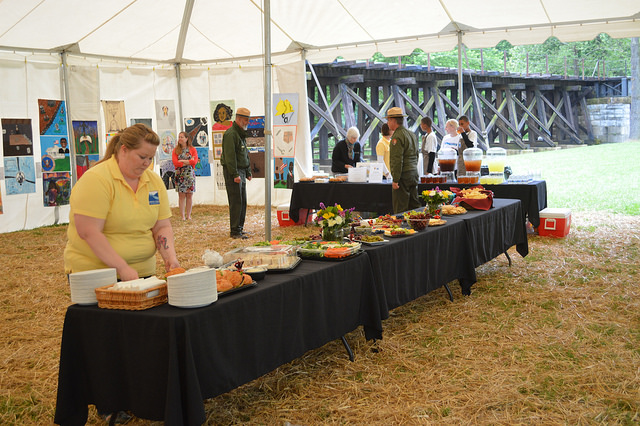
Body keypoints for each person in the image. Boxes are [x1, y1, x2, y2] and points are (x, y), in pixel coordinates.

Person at [64, 123, 180, 281]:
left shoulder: (154, 182)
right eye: (142, 157)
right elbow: (89, 231)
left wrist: (170, 258)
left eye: (151, 158)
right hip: (97, 274)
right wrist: (122, 267)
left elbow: (162, 226)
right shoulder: (96, 180)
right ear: (123, 150)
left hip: (143, 272)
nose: (147, 163)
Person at [221, 107, 252, 239]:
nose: (247, 123)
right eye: (245, 120)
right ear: (238, 119)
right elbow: (230, 157)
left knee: (242, 201)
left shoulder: (240, 133)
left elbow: (244, 154)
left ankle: (239, 228)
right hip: (233, 171)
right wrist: (235, 174)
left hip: (241, 171)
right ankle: (234, 231)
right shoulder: (231, 134)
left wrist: (248, 171)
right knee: (236, 201)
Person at [387, 107, 421, 214]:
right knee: (414, 206)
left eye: (388, 120)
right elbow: (416, 155)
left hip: (403, 175)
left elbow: (397, 160)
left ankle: (401, 229)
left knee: (400, 208)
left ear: (393, 120)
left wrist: (395, 179)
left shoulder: (396, 137)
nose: (387, 123)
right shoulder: (411, 134)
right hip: (413, 173)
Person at [172, 131, 198, 220]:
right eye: (179, 137)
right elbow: (175, 163)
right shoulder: (176, 150)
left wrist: (182, 161)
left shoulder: (192, 149)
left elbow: (194, 161)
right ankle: (182, 216)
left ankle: (188, 215)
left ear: (187, 139)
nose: (180, 138)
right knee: (181, 195)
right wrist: (188, 162)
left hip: (189, 174)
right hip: (180, 174)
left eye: (182, 137)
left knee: (189, 195)